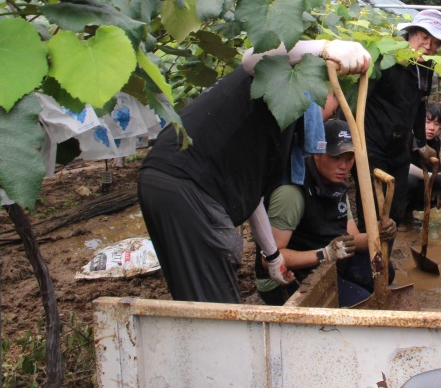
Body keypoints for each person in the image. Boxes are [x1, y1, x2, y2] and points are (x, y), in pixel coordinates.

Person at [137, 39, 370, 304]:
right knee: (214, 308)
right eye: (332, 100)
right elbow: (251, 57)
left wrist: (273, 256)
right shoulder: (275, 81)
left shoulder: (282, 131)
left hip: (174, 181)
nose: (328, 115)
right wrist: (327, 48)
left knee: (200, 297)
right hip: (185, 179)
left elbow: (253, 196)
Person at [256, 119, 397, 306]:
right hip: (287, 277)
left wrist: (377, 233)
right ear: (317, 153)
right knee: (362, 306)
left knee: (385, 272)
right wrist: (325, 254)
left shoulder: (336, 184)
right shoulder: (293, 192)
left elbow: (352, 238)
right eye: (336, 157)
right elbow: (269, 259)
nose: (343, 166)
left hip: (327, 263)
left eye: (349, 158)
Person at [364, 9, 441, 226]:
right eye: (425, 37)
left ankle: (386, 258)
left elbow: (419, 105)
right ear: (411, 33)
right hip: (372, 147)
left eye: (436, 42)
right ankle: (370, 258)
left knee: (395, 212)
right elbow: (360, 101)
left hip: (400, 149)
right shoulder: (386, 59)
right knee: (373, 211)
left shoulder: (426, 66)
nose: (429, 45)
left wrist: (422, 145)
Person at [405, 104, 441, 222]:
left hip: (423, 184)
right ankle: (402, 215)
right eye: (427, 122)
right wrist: (433, 178)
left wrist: (437, 185)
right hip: (403, 185)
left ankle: (413, 210)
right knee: (410, 181)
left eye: (436, 124)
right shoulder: (408, 137)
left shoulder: (436, 141)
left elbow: (436, 168)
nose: (431, 128)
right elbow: (404, 167)